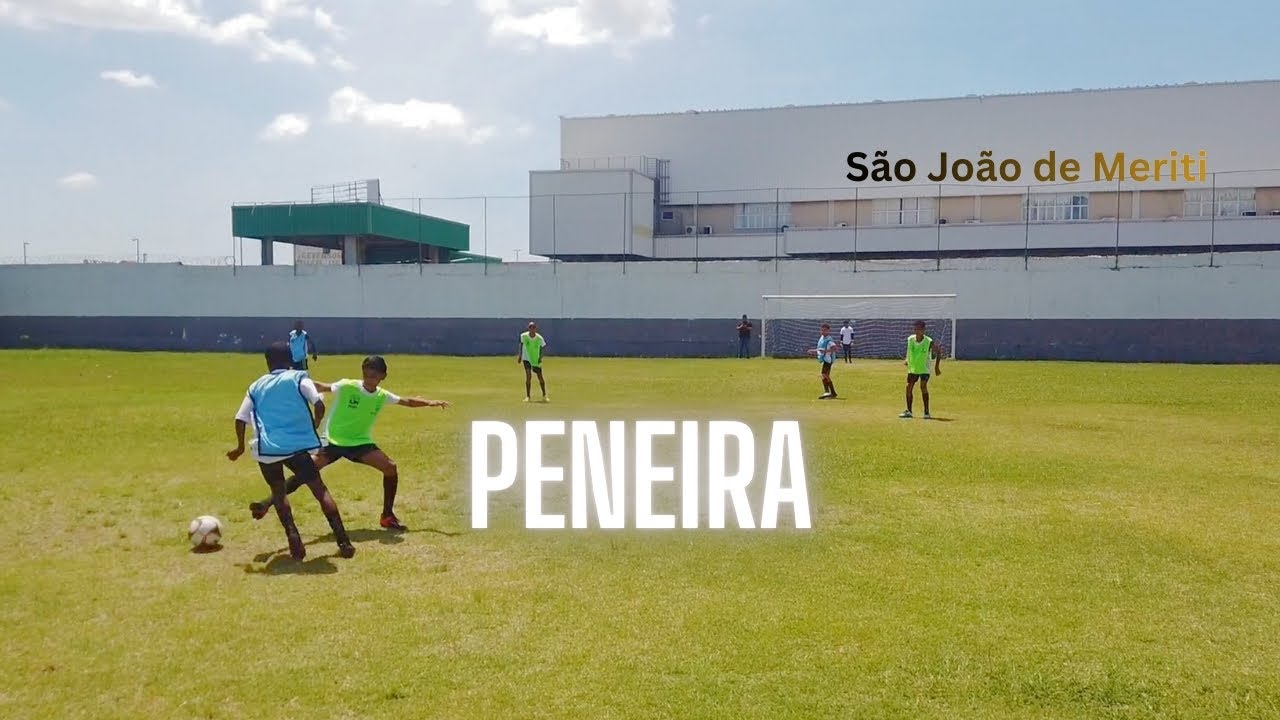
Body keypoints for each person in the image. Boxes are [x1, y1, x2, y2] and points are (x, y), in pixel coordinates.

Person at [248, 355, 451, 532]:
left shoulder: (381, 396)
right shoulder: (348, 386)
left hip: (360, 443)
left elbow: (406, 402)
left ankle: (387, 516)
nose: (369, 380)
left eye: (374, 376)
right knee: (304, 474)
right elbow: (322, 386)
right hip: (333, 441)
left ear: (382, 376)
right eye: (366, 375)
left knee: (390, 468)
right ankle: (266, 504)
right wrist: (295, 382)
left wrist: (430, 402)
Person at [227, 342, 354, 561]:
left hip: (268, 449)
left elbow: (240, 418)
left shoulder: (256, 386)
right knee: (319, 489)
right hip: (297, 446)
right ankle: (343, 541)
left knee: (278, 493)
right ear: (289, 360)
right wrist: (314, 424)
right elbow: (319, 403)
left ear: (267, 362)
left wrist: (239, 447)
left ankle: (293, 537)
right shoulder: (298, 377)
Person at [900, 320, 943, 419]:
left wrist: (937, 367)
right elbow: (909, 350)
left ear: (923, 330)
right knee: (908, 388)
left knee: (923, 387)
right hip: (913, 369)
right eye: (915, 329)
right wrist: (907, 359)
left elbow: (938, 352)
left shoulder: (928, 341)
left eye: (919, 329)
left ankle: (926, 412)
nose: (917, 331)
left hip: (924, 369)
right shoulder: (910, 339)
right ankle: (909, 411)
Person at [806, 322, 839, 399]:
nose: (823, 332)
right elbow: (820, 349)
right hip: (824, 359)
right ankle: (828, 392)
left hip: (828, 360)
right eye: (822, 330)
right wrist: (813, 351)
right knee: (824, 376)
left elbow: (835, 348)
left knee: (824, 374)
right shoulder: (821, 338)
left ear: (828, 331)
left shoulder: (829, 339)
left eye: (825, 330)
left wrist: (826, 351)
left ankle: (831, 393)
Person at [518, 321, 548, 402]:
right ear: (528, 328)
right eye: (530, 327)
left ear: (535, 329)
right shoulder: (524, 336)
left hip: (535, 359)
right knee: (528, 376)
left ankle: (544, 395)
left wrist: (540, 357)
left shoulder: (539, 338)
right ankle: (528, 396)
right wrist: (520, 356)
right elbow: (521, 344)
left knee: (540, 377)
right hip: (526, 358)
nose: (532, 329)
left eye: (533, 327)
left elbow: (543, 347)